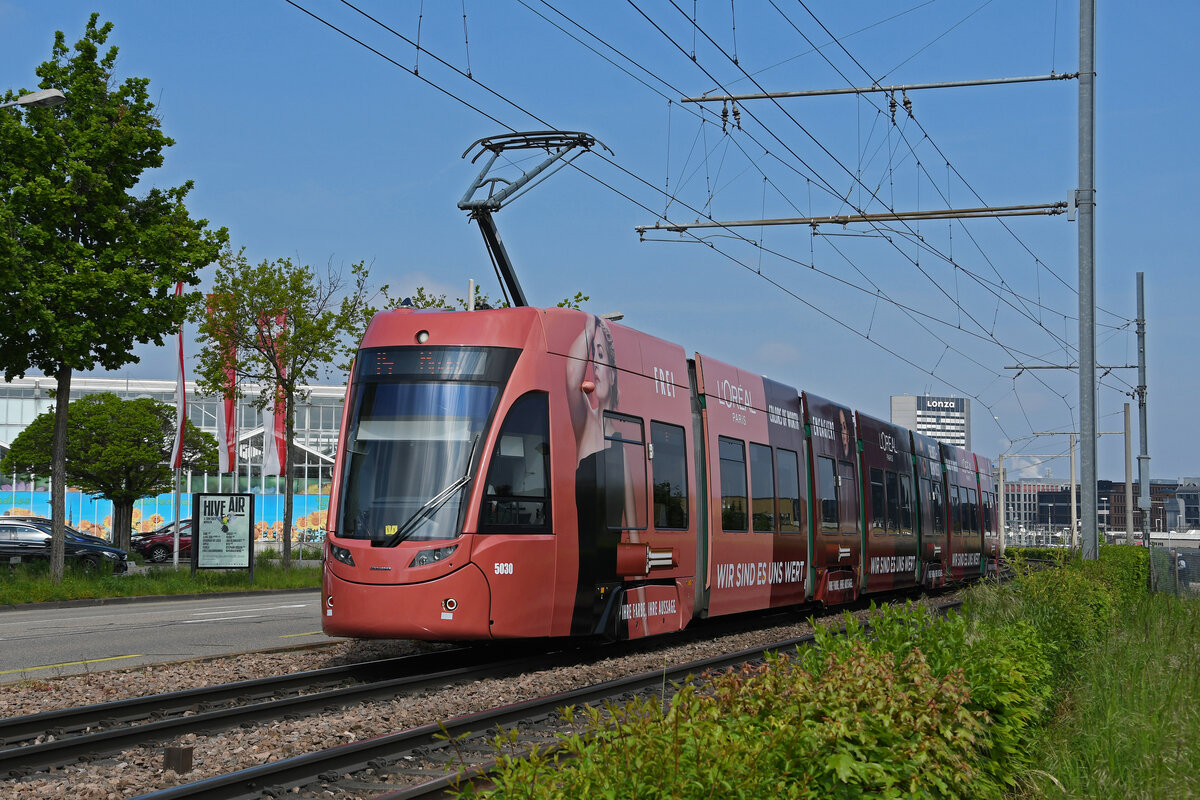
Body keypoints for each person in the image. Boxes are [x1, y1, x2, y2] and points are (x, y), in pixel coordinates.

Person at [566, 315, 640, 634]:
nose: (595, 365)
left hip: (612, 579)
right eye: (593, 357)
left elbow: (633, 528)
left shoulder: (622, 446)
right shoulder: (584, 420)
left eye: (600, 355)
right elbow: (570, 376)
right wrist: (589, 327)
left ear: (612, 369)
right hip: (583, 576)